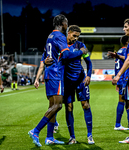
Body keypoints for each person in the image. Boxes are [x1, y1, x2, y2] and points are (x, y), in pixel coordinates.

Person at [28, 14, 87, 147]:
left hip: (49, 74)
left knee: (52, 107)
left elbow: (46, 56)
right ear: (63, 23)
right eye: (67, 23)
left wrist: (45, 65)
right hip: (56, 74)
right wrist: (81, 52)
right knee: (58, 105)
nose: (67, 26)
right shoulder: (60, 36)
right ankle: (35, 131)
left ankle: (49, 137)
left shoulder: (50, 36)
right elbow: (66, 55)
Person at [61, 25, 94, 144]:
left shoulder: (80, 45)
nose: (76, 38)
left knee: (86, 105)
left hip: (80, 79)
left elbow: (89, 63)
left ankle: (90, 135)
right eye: (74, 36)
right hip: (67, 82)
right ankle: (72, 137)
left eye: (78, 36)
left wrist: (89, 75)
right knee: (69, 107)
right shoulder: (62, 45)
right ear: (68, 33)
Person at [108, 35, 129, 131]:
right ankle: (117, 124)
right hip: (123, 79)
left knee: (127, 101)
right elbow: (128, 61)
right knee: (123, 101)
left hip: (121, 79)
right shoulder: (125, 51)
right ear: (127, 42)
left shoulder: (120, 50)